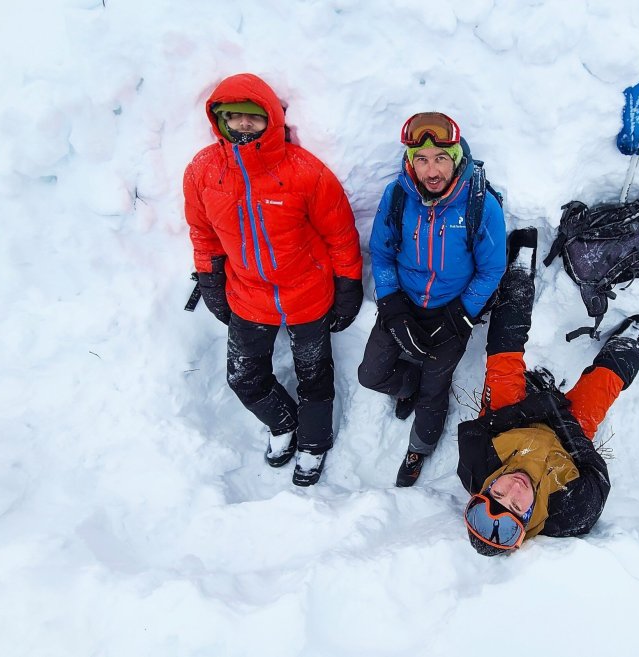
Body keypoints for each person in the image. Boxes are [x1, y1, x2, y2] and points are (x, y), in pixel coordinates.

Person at [183, 73, 363, 487]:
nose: (244, 124)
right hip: (248, 296)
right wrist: (210, 279)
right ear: (220, 120)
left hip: (308, 295)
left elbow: (340, 234)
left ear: (271, 119)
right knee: (243, 377)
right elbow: (203, 233)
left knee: (314, 377)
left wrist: (348, 285)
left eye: (254, 116)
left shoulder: (304, 171)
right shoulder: (202, 171)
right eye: (235, 116)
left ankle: (314, 443)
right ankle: (283, 424)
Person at [456, 227, 639, 554]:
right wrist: (563, 419)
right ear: (528, 518)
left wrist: (531, 408)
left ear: (487, 490)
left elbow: (475, 431)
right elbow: (596, 473)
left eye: (498, 494)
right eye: (517, 505)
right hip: (567, 440)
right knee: (598, 391)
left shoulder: (475, 466)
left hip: (511, 420)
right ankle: (627, 345)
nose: (513, 489)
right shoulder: (569, 511)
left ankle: (519, 275)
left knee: (502, 360)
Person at [358, 112, 507, 487]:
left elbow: (492, 269)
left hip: (452, 310)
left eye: (441, 158)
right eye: (421, 159)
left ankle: (418, 449)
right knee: (370, 375)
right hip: (404, 302)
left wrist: (460, 315)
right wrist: (391, 305)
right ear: (411, 161)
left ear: (456, 159)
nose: (431, 170)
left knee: (434, 389)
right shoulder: (397, 196)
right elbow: (382, 254)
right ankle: (407, 385)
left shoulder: (480, 205)